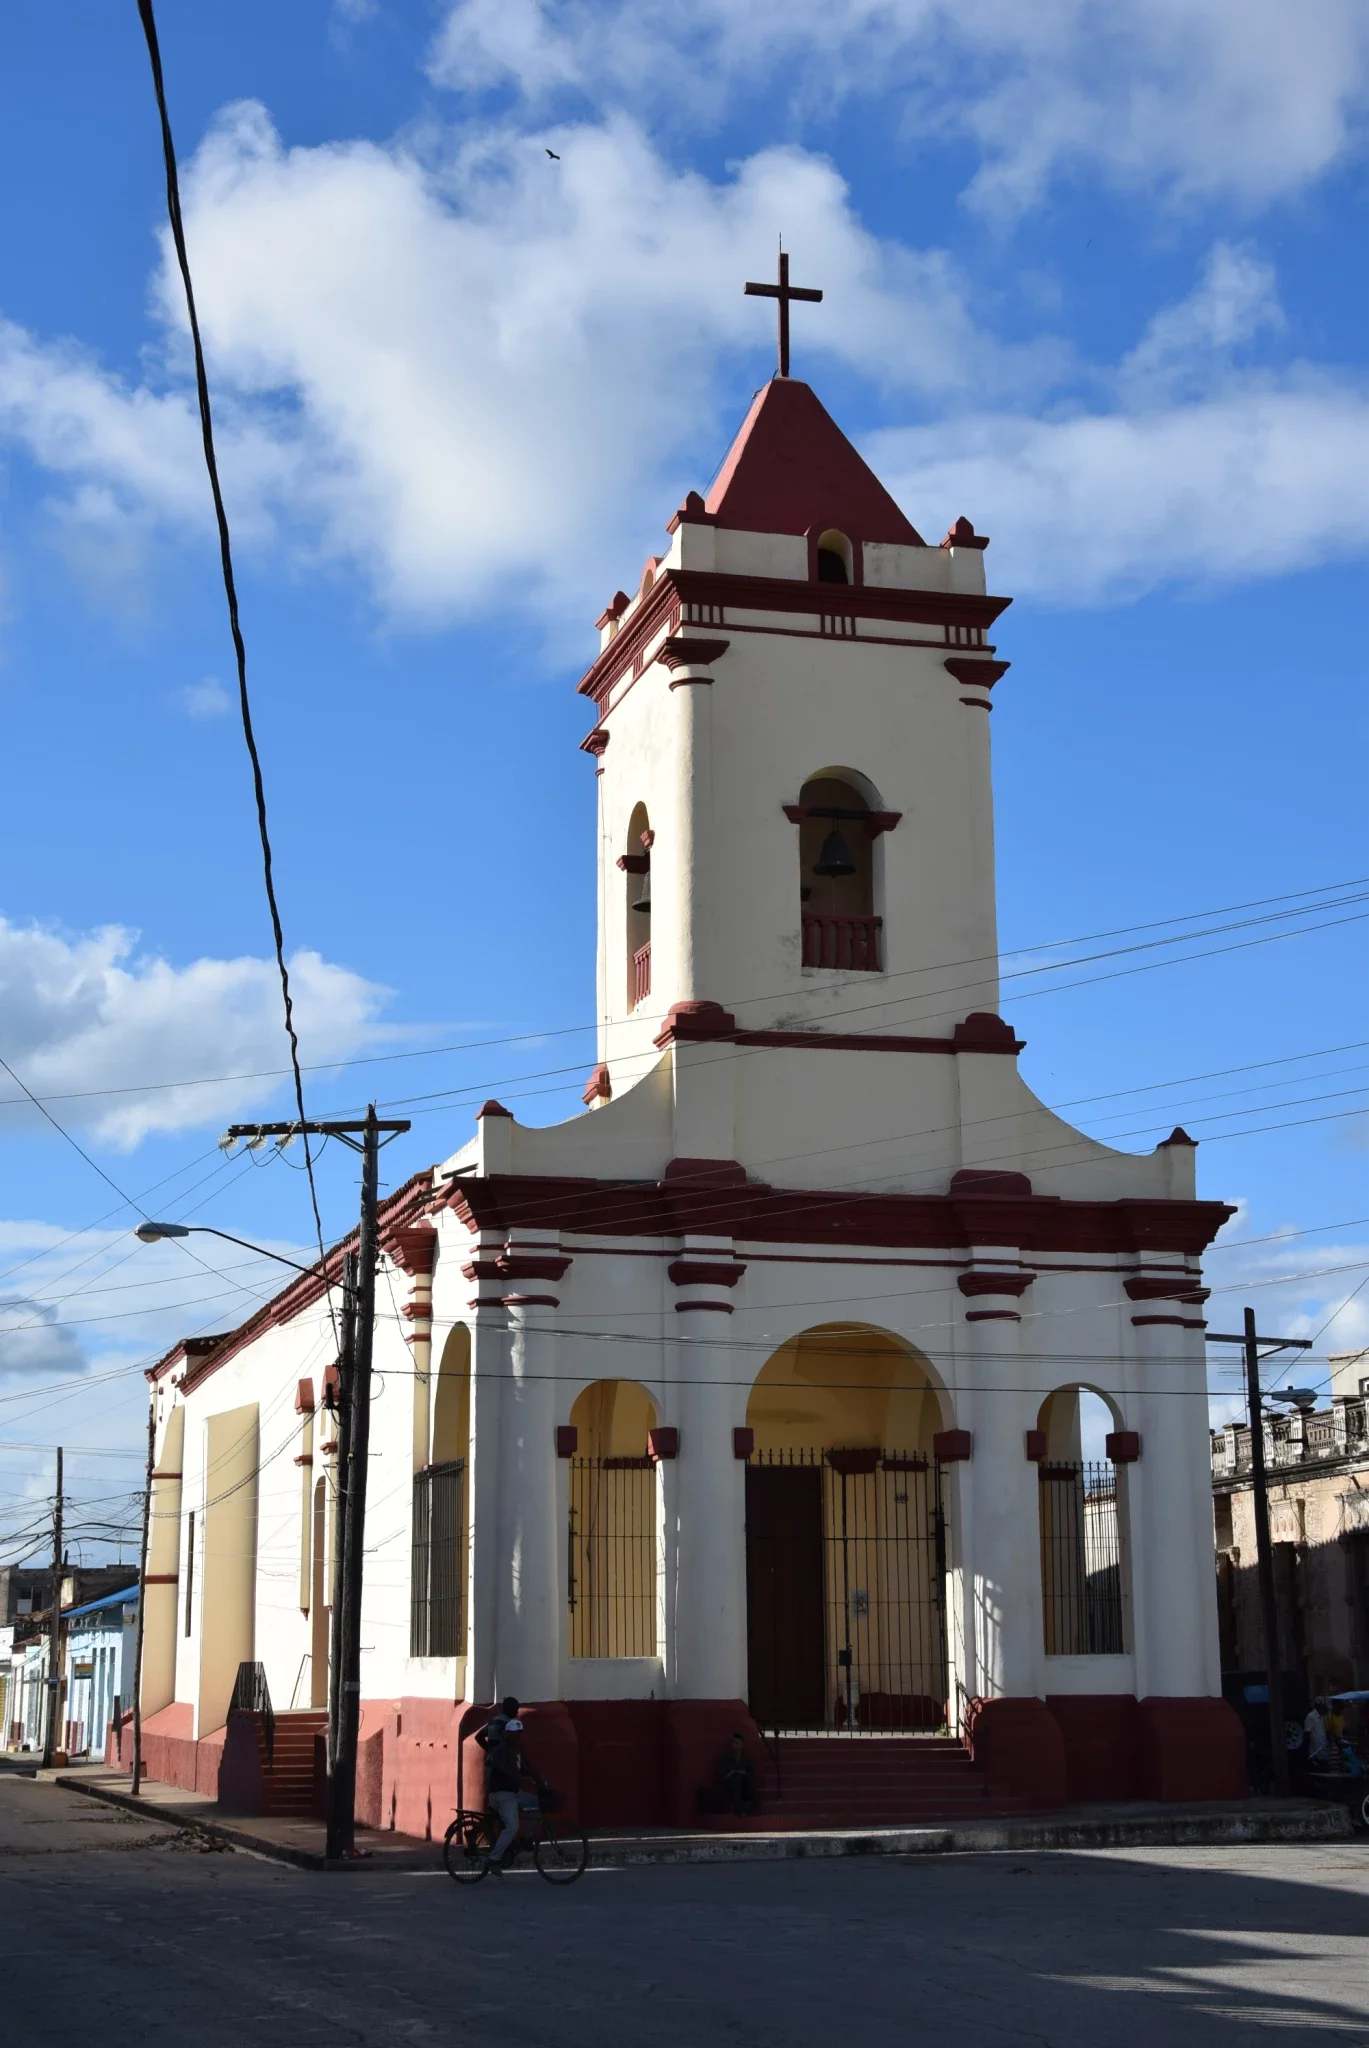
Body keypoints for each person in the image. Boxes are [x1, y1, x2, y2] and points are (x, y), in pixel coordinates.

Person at [477, 1702, 544, 1871]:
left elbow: (526, 1766)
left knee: (539, 1805)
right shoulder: (502, 1750)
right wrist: (518, 1777)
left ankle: (522, 1839)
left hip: (513, 1792)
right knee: (512, 1827)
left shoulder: (515, 1748)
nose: (518, 1737)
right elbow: (506, 1769)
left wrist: (539, 1779)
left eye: (519, 1734)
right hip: (502, 1792)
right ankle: (494, 1859)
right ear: (508, 1734)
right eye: (515, 1734)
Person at [714, 1732, 758, 1818]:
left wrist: (742, 1774)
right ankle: (738, 1810)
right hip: (731, 1789)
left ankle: (753, 1809)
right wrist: (733, 1773)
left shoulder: (746, 1760)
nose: (734, 1745)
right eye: (733, 1743)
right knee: (737, 1778)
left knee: (744, 1778)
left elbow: (751, 1775)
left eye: (737, 1743)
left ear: (742, 1745)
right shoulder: (726, 1760)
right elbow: (722, 1776)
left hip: (745, 1790)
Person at [1304, 1697, 1330, 1766]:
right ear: (1318, 1706)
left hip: (1322, 1752)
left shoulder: (1322, 1717)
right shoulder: (1311, 1716)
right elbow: (1307, 1734)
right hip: (1314, 1754)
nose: (1324, 1709)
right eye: (1323, 1707)